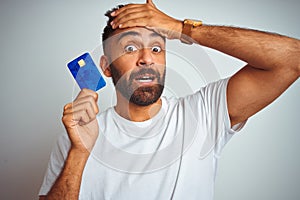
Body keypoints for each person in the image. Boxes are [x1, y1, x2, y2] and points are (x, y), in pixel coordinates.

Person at [39, 0, 300, 199]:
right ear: (106, 67)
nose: (147, 58)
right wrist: (79, 152)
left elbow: (293, 58)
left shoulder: (204, 113)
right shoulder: (78, 137)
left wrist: (181, 28)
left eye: (156, 48)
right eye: (130, 48)